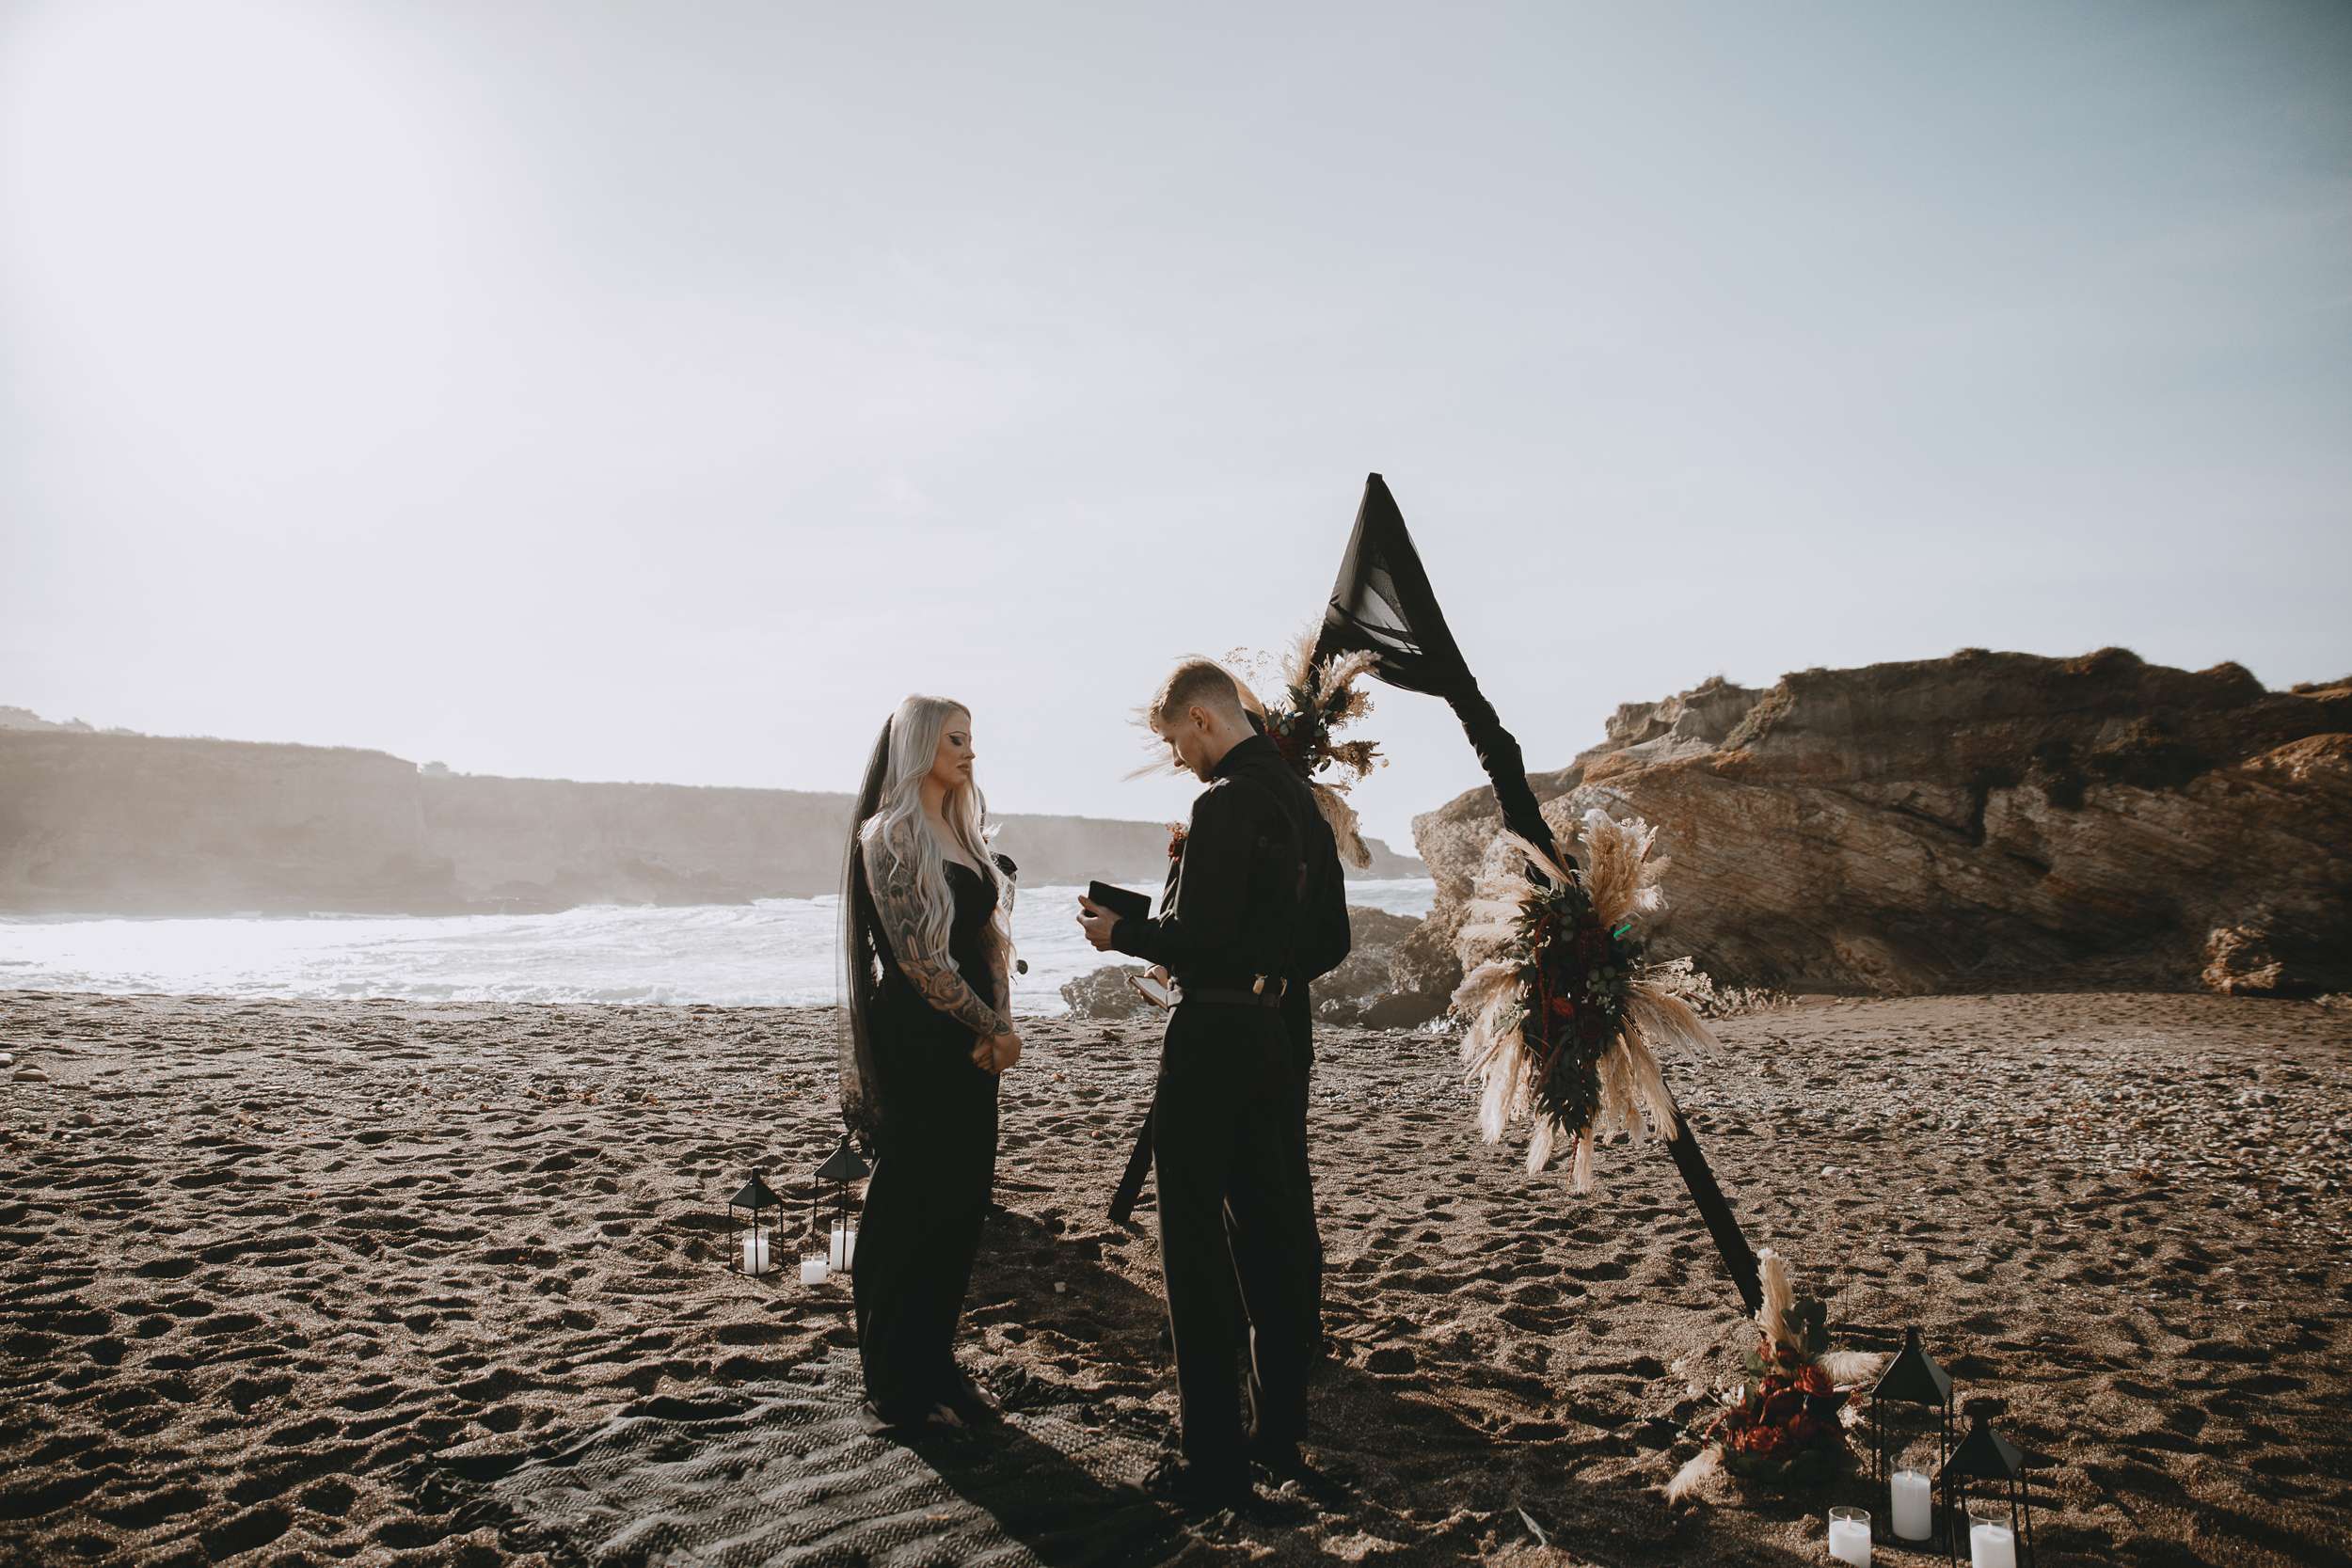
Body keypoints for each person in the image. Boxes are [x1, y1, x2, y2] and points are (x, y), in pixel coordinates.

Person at [1077, 659, 1322, 1509]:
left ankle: (1213, 1459)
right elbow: (1328, 934)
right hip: (1276, 1036)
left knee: (1193, 1248)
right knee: (1273, 1240)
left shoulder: (1223, 802)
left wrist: (1123, 933)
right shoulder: (1302, 800)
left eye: (1177, 741)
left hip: (1212, 1036)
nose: (1179, 758)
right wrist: (1268, 967)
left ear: (1204, 719)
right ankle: (1279, 1439)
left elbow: (1201, 939)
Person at [839, 694, 1022, 1436]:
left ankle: (935, 1361)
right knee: (909, 1202)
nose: (969, 751)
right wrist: (991, 1026)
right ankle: (895, 1381)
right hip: (918, 1036)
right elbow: (920, 962)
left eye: (971, 738)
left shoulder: (962, 828)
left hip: (973, 1037)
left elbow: (987, 941)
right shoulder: (890, 835)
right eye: (955, 739)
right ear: (919, 745)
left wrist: (1003, 1021)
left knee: (961, 1200)